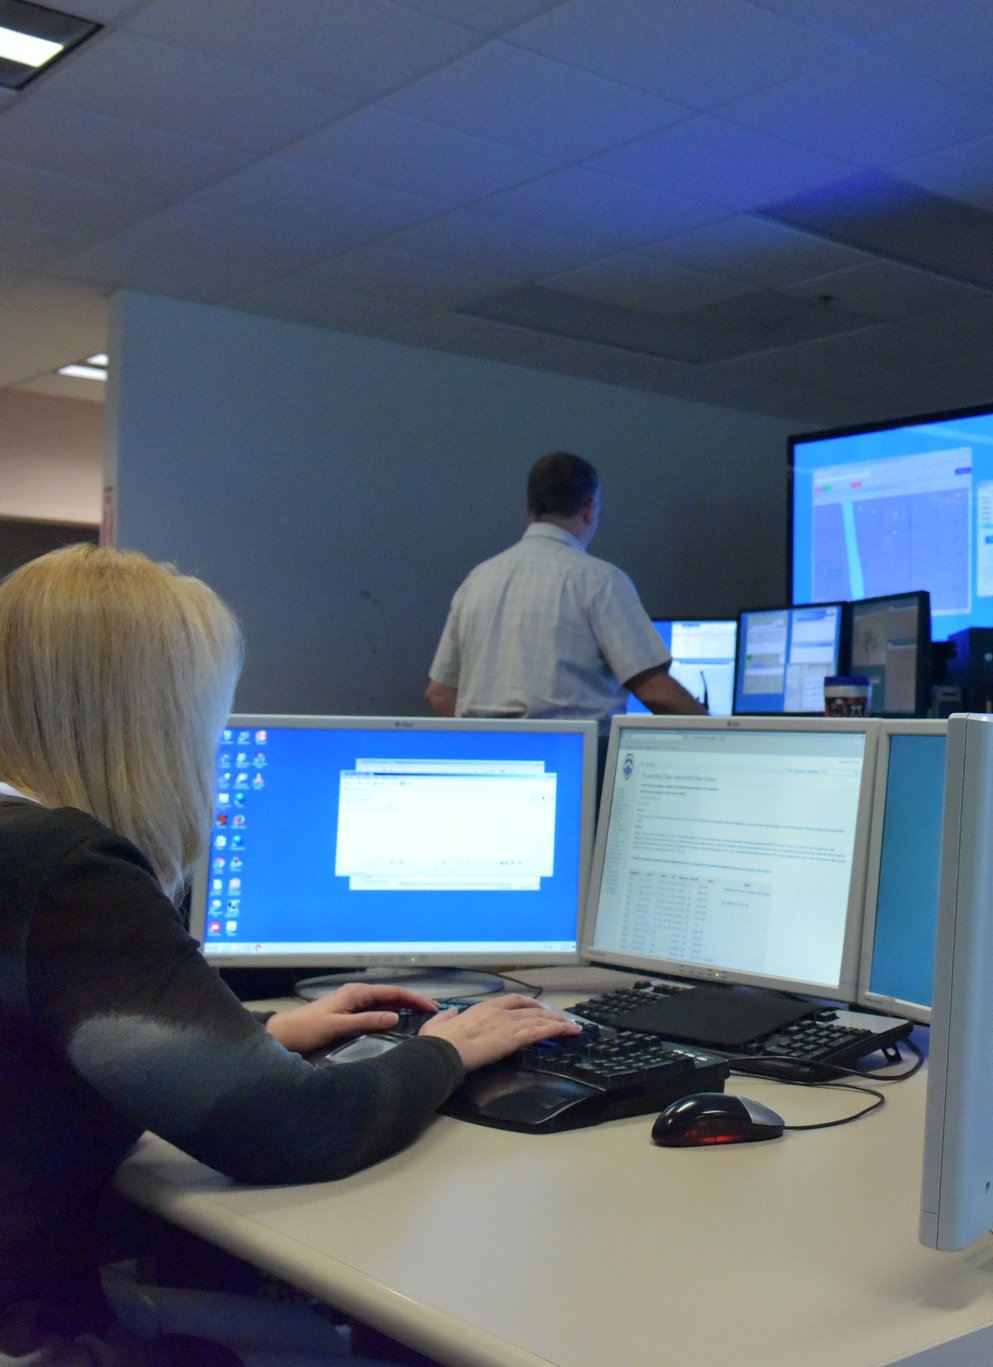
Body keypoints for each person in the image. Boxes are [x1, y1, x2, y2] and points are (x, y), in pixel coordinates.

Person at [0, 545, 582, 1366]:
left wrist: (249, 1039)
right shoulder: (65, 869)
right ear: (152, 720)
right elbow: (296, 1129)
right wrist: (450, 1049)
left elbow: (33, 1055)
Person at [426, 451, 704, 722]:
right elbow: (656, 692)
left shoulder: (477, 580)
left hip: (488, 759)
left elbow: (439, 694)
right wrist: (726, 737)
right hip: (577, 758)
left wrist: (497, 740)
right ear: (589, 510)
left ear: (529, 510)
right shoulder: (599, 581)